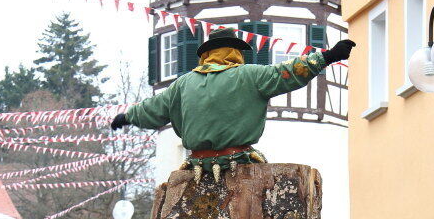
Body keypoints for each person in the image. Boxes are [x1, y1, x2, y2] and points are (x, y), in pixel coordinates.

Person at [112, 27, 355, 178]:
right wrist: (328, 56)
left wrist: (127, 117)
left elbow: (152, 109)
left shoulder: (183, 84)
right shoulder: (250, 75)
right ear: (235, 52)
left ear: (206, 54)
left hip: (196, 165)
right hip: (239, 165)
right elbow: (290, 71)